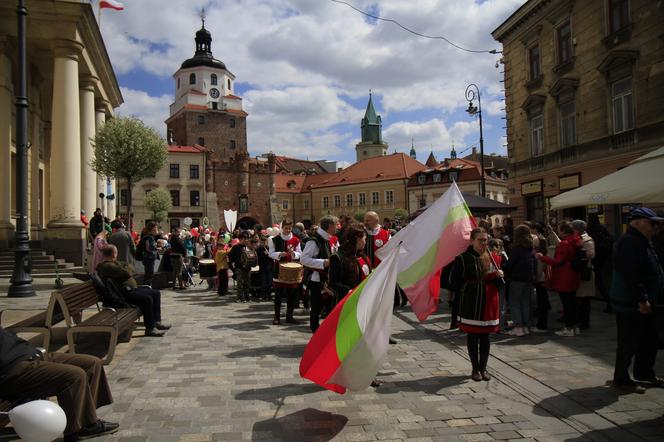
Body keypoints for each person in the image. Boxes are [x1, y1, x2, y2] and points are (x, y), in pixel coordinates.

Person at [0, 327, 118, 441]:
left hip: (32, 355)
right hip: (12, 370)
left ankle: (87, 420)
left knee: (92, 363)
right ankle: (77, 430)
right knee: (74, 376)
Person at [610, 207, 664, 393]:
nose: (656, 227)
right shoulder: (629, 242)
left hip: (645, 300)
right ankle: (622, 378)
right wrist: (641, 299)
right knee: (629, 341)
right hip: (631, 302)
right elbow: (630, 274)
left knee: (649, 339)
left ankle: (644, 372)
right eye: (652, 222)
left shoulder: (642, 240)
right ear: (638, 222)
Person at [449, 227, 503, 381]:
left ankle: (484, 368)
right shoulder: (462, 258)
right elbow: (453, 282)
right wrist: (474, 285)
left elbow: (500, 285)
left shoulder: (493, 258)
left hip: (488, 304)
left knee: (485, 337)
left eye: (486, 240)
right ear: (472, 241)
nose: (483, 243)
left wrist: (499, 276)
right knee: (473, 337)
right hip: (471, 304)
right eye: (480, 240)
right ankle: (475, 369)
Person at [96, 245, 171, 337]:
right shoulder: (108, 266)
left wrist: (126, 267)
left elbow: (130, 267)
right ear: (114, 254)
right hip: (124, 293)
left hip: (130, 289)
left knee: (155, 293)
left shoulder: (113, 263)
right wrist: (127, 267)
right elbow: (127, 273)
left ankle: (156, 321)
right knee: (147, 299)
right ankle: (150, 328)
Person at [535, 221, 582, 337]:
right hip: (573, 275)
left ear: (564, 231)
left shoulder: (565, 244)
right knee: (572, 302)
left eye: (559, 229)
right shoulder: (575, 240)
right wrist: (552, 233)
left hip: (564, 276)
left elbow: (558, 261)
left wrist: (542, 257)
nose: (558, 231)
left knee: (567, 304)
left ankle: (569, 328)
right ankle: (574, 327)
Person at [301, 215, 337, 333]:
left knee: (329, 307)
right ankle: (315, 331)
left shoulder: (328, 238)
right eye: (335, 225)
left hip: (327, 279)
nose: (337, 227)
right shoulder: (314, 240)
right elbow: (304, 259)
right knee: (316, 308)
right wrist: (323, 262)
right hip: (316, 279)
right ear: (330, 226)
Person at [502, 224, 536, 337]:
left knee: (515, 303)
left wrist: (503, 267)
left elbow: (510, 264)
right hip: (528, 278)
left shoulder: (517, 248)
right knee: (525, 303)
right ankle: (525, 326)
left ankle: (518, 327)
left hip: (517, 279)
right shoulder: (530, 247)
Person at [269, 220, 302, 324]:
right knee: (278, 295)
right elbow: (270, 253)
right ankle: (276, 317)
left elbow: (300, 253)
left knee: (291, 295)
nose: (288, 230)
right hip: (278, 269)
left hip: (291, 269)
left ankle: (289, 316)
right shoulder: (275, 239)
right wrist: (279, 254)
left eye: (289, 228)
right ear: (282, 228)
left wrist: (294, 254)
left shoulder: (296, 240)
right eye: (286, 228)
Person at [328, 224, 371, 306]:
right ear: (358, 239)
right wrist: (348, 291)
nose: (366, 242)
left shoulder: (362, 256)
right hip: (345, 302)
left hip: (363, 301)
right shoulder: (338, 257)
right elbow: (333, 282)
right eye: (364, 239)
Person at [571, 219, 596, 330]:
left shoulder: (586, 240)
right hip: (579, 271)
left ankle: (584, 323)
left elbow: (591, 255)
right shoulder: (580, 238)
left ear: (576, 229)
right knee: (580, 298)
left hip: (585, 271)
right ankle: (580, 320)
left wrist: (581, 252)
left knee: (584, 299)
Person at [586, 213, 614, 312]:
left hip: (597, 259)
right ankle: (612, 302)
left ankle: (610, 303)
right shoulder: (602, 228)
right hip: (607, 258)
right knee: (607, 281)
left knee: (600, 282)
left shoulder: (590, 230)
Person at [139, 222, 159, 287]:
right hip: (149, 258)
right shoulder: (149, 237)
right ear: (152, 229)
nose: (157, 231)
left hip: (147, 257)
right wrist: (155, 250)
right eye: (156, 229)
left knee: (148, 274)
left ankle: (147, 287)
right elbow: (148, 248)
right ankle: (147, 287)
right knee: (149, 274)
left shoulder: (148, 236)